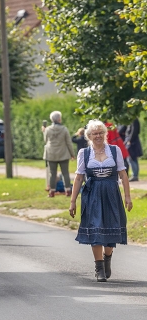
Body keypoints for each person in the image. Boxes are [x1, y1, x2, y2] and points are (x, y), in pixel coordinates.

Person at [69, 119, 132, 282]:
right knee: (96, 228)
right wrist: (73, 201)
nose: (98, 136)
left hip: (111, 193)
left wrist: (127, 196)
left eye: (101, 133)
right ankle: (99, 268)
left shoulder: (114, 150)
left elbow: (123, 174)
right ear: (89, 136)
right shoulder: (84, 153)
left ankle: (107, 258)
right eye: (94, 133)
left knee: (111, 228)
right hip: (93, 194)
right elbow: (78, 178)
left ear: (105, 134)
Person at [42, 111, 75, 197]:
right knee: (65, 173)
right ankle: (68, 190)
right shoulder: (64, 129)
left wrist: (43, 131)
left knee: (52, 173)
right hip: (63, 153)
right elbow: (68, 142)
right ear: (59, 119)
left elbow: (45, 141)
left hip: (51, 153)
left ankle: (52, 191)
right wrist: (72, 154)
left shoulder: (48, 129)